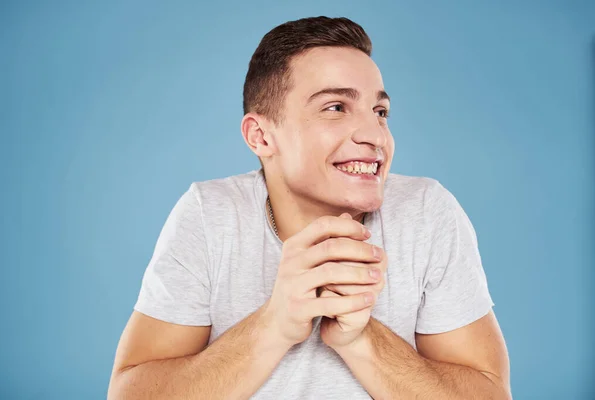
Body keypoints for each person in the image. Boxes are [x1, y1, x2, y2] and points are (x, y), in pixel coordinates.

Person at [108, 16, 511, 399]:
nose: (375, 135)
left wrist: (361, 339)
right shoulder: (210, 214)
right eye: (335, 107)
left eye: (380, 112)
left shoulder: (426, 211)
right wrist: (275, 325)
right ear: (261, 136)